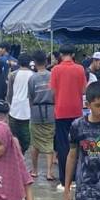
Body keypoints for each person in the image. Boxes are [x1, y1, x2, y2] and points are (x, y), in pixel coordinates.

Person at [50, 46, 88, 191]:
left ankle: (64, 180)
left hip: (60, 111)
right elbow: (84, 90)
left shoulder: (55, 70)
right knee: (77, 145)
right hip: (76, 111)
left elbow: (53, 91)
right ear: (72, 54)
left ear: (60, 55)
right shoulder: (79, 69)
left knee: (62, 146)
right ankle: (78, 177)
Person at [27, 50, 57, 182]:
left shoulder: (32, 78)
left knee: (35, 142)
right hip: (51, 111)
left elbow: (31, 97)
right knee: (49, 141)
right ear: (46, 61)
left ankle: (34, 170)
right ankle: (50, 172)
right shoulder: (52, 75)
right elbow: (56, 94)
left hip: (36, 112)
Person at [7, 52, 34, 155]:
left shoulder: (12, 75)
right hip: (28, 111)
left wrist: (10, 104)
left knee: (14, 135)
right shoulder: (33, 75)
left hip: (14, 109)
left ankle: (17, 154)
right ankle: (21, 153)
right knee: (26, 137)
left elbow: (9, 93)